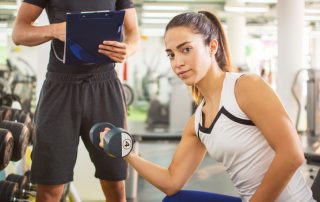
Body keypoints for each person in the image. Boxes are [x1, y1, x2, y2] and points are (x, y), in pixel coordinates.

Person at [100, 11, 315, 202]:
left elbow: (292, 154)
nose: (177, 62)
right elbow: (171, 181)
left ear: (212, 47)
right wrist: (126, 152)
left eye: (186, 49)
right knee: (174, 200)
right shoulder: (197, 123)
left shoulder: (246, 86)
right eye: (171, 54)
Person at [12, 0, 139, 201]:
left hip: (105, 87)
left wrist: (128, 49)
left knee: (116, 185)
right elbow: (19, 33)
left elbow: (133, 33)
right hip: (60, 89)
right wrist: (55, 30)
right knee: (50, 190)